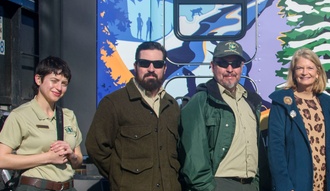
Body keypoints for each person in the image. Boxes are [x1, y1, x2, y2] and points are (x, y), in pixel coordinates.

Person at [86, 41, 181, 191]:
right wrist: (120, 176)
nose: (151, 69)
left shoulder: (172, 106)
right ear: (136, 66)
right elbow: (96, 147)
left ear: (164, 68)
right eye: (145, 63)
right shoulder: (114, 103)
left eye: (157, 64)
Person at [179, 40, 263, 191]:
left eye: (235, 63)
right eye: (223, 63)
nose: (230, 69)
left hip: (250, 185)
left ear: (241, 67)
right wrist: (208, 188)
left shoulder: (251, 101)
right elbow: (194, 156)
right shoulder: (201, 100)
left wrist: (256, 183)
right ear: (212, 66)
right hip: (220, 184)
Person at [0, 56, 83, 191]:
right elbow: (2, 159)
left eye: (64, 83)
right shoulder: (20, 115)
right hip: (35, 186)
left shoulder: (68, 116)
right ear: (38, 79)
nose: (59, 88)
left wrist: (71, 155)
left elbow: (78, 160)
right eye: (54, 81)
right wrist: (47, 157)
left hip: (67, 186)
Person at [268, 48, 330, 191]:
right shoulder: (282, 102)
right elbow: (276, 149)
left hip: (324, 185)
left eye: (310, 68)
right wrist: (284, 186)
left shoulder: (327, 104)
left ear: (317, 73)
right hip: (295, 184)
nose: (304, 72)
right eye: (299, 68)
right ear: (293, 73)